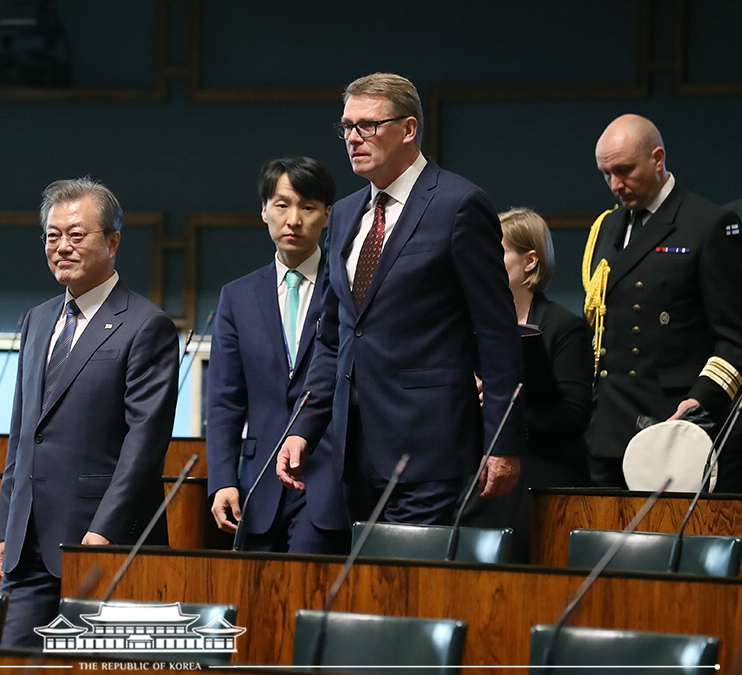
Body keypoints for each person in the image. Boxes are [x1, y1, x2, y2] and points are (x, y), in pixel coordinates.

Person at [276, 72, 524, 525]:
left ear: (408, 129)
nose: (353, 138)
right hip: (354, 452)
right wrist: (303, 428)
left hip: (430, 447)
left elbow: (496, 330)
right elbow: (334, 338)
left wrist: (502, 442)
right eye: (347, 127)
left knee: (412, 589)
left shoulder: (458, 204)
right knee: (368, 588)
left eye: (368, 125)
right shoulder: (347, 212)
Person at [0, 177, 180, 647]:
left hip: (104, 542)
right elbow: (23, 432)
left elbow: (144, 445)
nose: (62, 247)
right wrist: (5, 528)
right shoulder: (38, 319)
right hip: (29, 544)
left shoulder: (145, 324)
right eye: (53, 236)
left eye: (77, 235)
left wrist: (104, 531)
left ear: (113, 241)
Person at [583, 114, 742, 488]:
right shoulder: (607, 226)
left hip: (671, 424)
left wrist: (702, 401)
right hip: (608, 427)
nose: (615, 185)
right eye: (606, 174)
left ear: (657, 159)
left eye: (624, 170)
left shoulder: (707, 224)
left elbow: (735, 336)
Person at [205, 157, 349, 554]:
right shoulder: (237, 296)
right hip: (256, 483)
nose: (294, 219)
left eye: (308, 207)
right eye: (282, 205)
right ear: (264, 210)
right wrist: (222, 479)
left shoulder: (347, 290)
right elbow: (224, 400)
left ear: (327, 215)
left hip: (329, 478)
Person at [466, 208, 593, 560]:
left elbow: (574, 416)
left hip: (542, 476)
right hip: (482, 473)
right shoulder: (470, 323)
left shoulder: (564, 327)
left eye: (498, 250)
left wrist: (501, 403)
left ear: (530, 261)